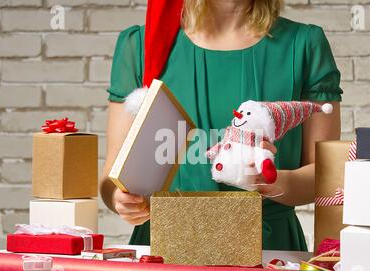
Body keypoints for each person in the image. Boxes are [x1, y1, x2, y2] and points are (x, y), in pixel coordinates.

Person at [99, 0, 342, 251]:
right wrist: (122, 199)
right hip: (165, 246)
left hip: (267, 249)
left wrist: (271, 181)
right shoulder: (139, 45)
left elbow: (325, 176)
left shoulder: (304, 44)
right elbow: (111, 178)